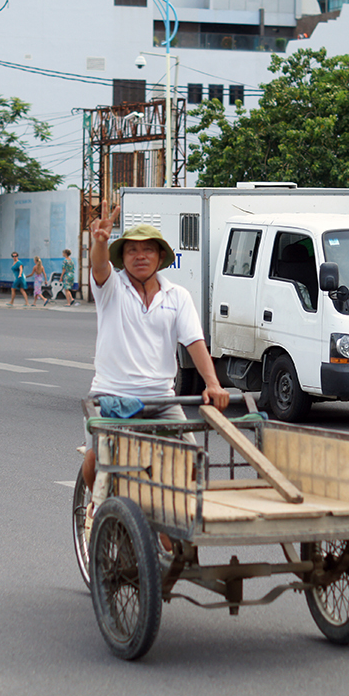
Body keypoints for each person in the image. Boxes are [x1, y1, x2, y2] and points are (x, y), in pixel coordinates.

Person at [81, 199, 230, 490]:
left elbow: (194, 341)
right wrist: (100, 243)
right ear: (122, 258)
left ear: (160, 257)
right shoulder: (112, 288)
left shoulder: (177, 296)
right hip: (111, 395)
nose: (140, 256)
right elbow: (99, 266)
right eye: (131, 250)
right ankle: (93, 507)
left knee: (191, 462)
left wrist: (213, 384)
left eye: (147, 249)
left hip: (162, 398)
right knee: (96, 458)